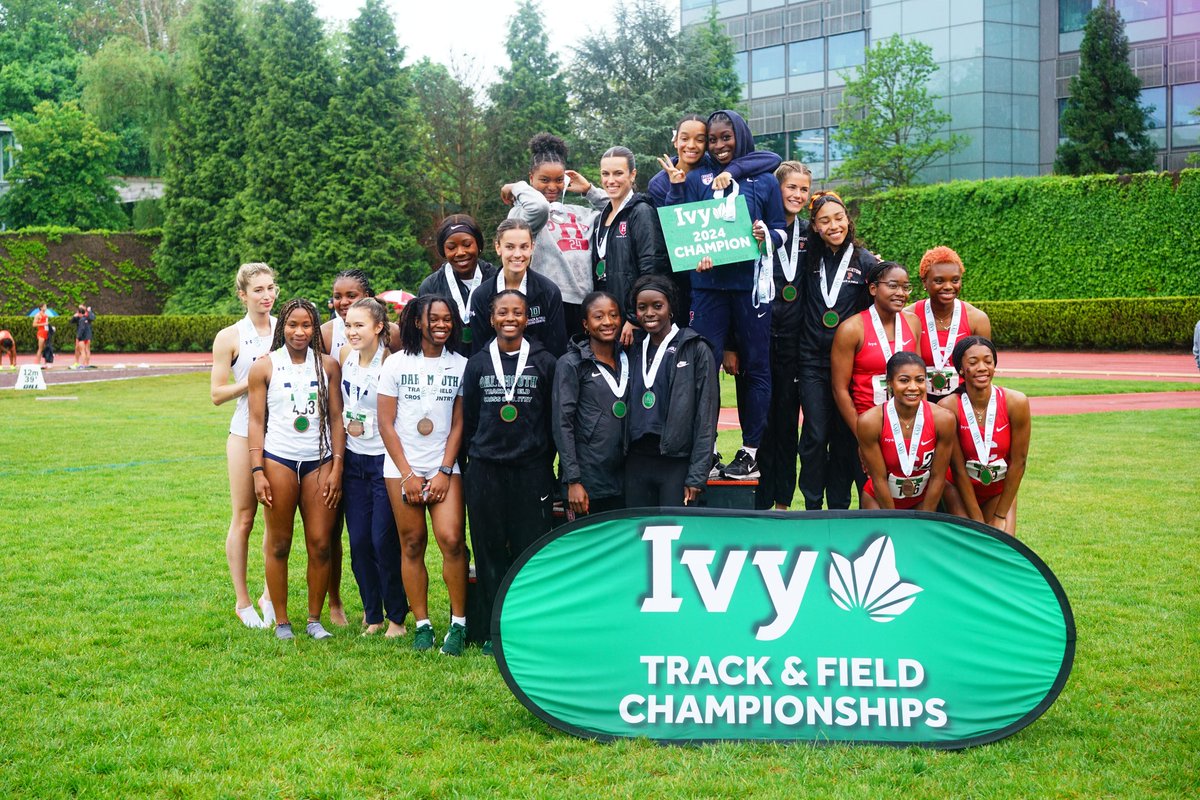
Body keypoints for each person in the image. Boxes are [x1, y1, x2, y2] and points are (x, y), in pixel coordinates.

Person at [661, 109, 786, 481]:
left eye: (724, 138)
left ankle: (749, 452)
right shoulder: (698, 177)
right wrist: (689, 251)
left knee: (757, 368)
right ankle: (709, 449)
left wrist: (768, 235)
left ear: (740, 136)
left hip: (751, 290)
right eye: (712, 140)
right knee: (704, 367)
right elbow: (680, 223)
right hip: (708, 288)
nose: (718, 146)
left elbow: (779, 227)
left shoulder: (763, 181)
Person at [462, 289, 558, 655]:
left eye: (517, 312)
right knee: (488, 550)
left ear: (526, 318)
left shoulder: (545, 362)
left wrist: (540, 459)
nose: (510, 319)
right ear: (492, 318)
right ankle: (493, 629)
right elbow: (470, 419)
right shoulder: (478, 363)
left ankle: (526, 626)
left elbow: (552, 420)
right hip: (485, 470)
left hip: (531, 471)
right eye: (503, 312)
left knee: (529, 549)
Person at [248, 298, 345, 640]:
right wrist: (257, 470)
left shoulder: (329, 366)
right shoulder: (264, 367)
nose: (299, 331)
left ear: (315, 327)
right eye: (292, 325)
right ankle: (282, 622)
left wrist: (337, 467)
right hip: (279, 460)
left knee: (320, 543)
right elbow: (256, 421)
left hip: (319, 461)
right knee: (279, 544)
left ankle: (315, 620)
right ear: (281, 328)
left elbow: (336, 419)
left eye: (306, 325)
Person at [378, 295, 470, 655]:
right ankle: (423, 625)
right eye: (434, 319)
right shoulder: (396, 364)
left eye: (448, 320)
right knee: (412, 543)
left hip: (444, 464)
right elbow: (385, 423)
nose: (442, 325)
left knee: (451, 540)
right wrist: (407, 474)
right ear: (418, 322)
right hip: (402, 468)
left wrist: (445, 470)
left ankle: (458, 626)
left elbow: (459, 423)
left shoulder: (461, 365)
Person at [795, 191, 878, 509]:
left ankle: (841, 507)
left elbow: (882, 304)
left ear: (848, 220)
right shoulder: (807, 259)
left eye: (838, 218)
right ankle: (812, 505)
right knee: (815, 434)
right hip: (812, 362)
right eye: (824, 221)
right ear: (814, 226)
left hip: (850, 366)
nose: (833, 226)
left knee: (846, 437)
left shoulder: (866, 262)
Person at [209, 263, 278, 628]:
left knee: (276, 521)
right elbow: (216, 394)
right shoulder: (230, 336)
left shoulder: (287, 327)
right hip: (243, 433)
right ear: (242, 295)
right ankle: (243, 601)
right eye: (258, 290)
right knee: (245, 517)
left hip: (282, 434)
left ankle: (270, 595)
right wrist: (252, 380)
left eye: (271, 288)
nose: (266, 295)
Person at [338, 297, 408, 638]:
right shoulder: (344, 357)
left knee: (383, 541)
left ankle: (397, 617)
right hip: (353, 460)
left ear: (379, 327)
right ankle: (372, 613)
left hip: (384, 462)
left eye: (359, 325)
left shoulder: (392, 364)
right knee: (360, 542)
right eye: (348, 325)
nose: (352, 332)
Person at [624, 274, 719, 508]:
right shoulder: (631, 349)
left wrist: (697, 475)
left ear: (671, 308)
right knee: (638, 538)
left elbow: (706, 417)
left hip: (676, 463)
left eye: (658, 306)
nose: (649, 313)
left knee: (674, 537)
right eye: (642, 307)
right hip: (636, 462)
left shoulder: (695, 348)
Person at [502, 134, 608, 338]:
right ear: (531, 177)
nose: (552, 186)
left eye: (559, 180)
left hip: (585, 303)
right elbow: (539, 206)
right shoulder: (524, 215)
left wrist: (589, 190)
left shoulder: (580, 212)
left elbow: (619, 209)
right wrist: (516, 187)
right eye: (544, 180)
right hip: (547, 303)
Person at [319, 268, 379, 626]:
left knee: (374, 532)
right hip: (330, 442)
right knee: (331, 529)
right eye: (337, 296)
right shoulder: (326, 334)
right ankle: (335, 601)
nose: (342, 303)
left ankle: (389, 605)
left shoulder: (391, 335)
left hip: (372, 445)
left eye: (351, 296)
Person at [756, 161, 812, 509]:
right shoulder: (758, 229)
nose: (797, 194)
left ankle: (783, 502)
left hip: (796, 344)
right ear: (777, 190)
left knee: (788, 425)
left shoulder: (811, 233)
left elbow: (846, 250)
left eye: (803, 189)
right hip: (759, 341)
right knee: (760, 423)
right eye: (791, 188)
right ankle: (759, 499)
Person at [941, 336, 1031, 535]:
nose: (982, 367)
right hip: (959, 487)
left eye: (988, 361)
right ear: (961, 369)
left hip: (998, 488)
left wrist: (999, 516)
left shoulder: (1016, 402)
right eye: (973, 363)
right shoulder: (948, 407)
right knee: (969, 541)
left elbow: (1019, 462)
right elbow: (956, 468)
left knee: (1002, 546)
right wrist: (978, 520)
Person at [553, 291, 629, 517]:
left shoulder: (629, 357)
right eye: (599, 316)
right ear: (586, 324)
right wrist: (573, 480)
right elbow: (562, 423)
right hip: (587, 480)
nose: (608, 322)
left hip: (626, 477)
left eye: (613, 315)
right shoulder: (571, 364)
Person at [589, 146, 671, 346]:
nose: (611, 180)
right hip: (609, 320)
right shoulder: (601, 218)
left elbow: (652, 269)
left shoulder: (641, 212)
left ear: (632, 175)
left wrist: (635, 318)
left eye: (618, 173)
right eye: (605, 174)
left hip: (633, 324)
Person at [831, 261, 922, 438]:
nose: (901, 293)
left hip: (908, 424)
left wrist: (921, 423)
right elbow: (839, 389)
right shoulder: (852, 329)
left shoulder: (913, 322)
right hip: (867, 422)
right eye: (893, 286)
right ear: (873, 289)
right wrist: (862, 435)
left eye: (906, 287)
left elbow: (919, 378)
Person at [857, 352, 956, 511]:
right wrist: (895, 522)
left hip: (923, 501)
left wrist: (924, 519)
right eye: (904, 380)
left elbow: (938, 477)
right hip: (879, 500)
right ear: (889, 383)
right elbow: (879, 480)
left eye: (920, 380)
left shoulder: (944, 419)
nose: (913, 387)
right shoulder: (870, 422)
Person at [468, 219, 567, 358]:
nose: (517, 254)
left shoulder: (549, 292)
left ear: (532, 247)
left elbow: (557, 350)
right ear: (498, 248)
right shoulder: (481, 296)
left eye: (524, 247)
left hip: (539, 375)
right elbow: (479, 352)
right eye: (510, 247)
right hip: (494, 375)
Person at [906, 246, 992, 402]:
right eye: (939, 280)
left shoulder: (977, 319)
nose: (948, 286)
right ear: (924, 281)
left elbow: (984, 371)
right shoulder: (909, 316)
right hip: (918, 401)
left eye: (955, 280)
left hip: (964, 402)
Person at [647, 113, 782, 209]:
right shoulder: (659, 183)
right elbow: (671, 225)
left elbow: (772, 158)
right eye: (684, 139)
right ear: (675, 141)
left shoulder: (715, 164)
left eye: (700, 140)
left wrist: (730, 171)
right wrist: (676, 187)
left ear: (706, 145)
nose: (691, 145)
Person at [417, 214, 497, 356]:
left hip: (490, 366)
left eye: (467, 245)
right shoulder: (431, 287)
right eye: (451, 247)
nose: (460, 253)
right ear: (443, 251)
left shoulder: (496, 280)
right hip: (446, 368)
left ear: (478, 245)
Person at [71, 304, 95, 369]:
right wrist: (74, 316)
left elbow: (82, 328)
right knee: (81, 349)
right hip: (86, 335)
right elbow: (72, 321)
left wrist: (78, 337)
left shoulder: (84, 318)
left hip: (83, 335)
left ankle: (85, 364)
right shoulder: (82, 317)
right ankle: (80, 363)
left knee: (83, 350)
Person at [33, 303, 49, 368]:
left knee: (46, 348)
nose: (46, 307)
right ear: (41, 307)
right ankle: (37, 363)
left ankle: (46, 362)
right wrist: (43, 324)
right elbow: (34, 325)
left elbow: (47, 324)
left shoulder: (46, 315)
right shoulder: (38, 315)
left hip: (46, 332)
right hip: (41, 332)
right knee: (40, 348)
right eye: (45, 306)